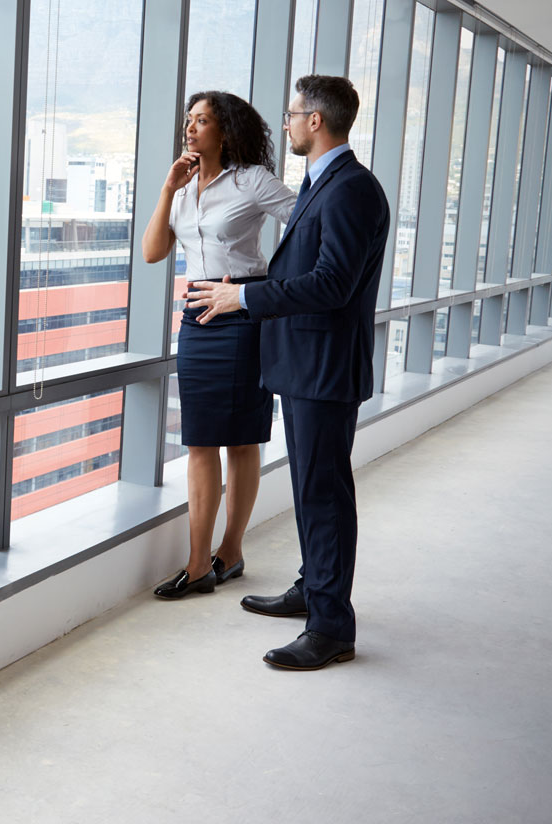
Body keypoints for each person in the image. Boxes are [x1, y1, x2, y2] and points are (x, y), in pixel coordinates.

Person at [187, 74, 390, 671]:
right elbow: (306, 274)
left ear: (316, 122)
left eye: (293, 113)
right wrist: (244, 287)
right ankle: (313, 588)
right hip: (306, 366)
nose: (286, 122)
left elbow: (332, 284)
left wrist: (244, 302)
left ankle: (330, 627)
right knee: (312, 490)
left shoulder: (350, 189)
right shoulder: (324, 184)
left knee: (323, 495)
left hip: (323, 368)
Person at [142, 91, 297, 600]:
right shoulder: (185, 189)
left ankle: (229, 552)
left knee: (241, 439)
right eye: (188, 119)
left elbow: (308, 219)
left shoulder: (251, 180)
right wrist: (168, 188)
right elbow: (152, 252)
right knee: (199, 440)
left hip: (240, 315)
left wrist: (260, 288)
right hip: (195, 319)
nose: (190, 128)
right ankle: (197, 563)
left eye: (202, 120)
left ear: (225, 131)